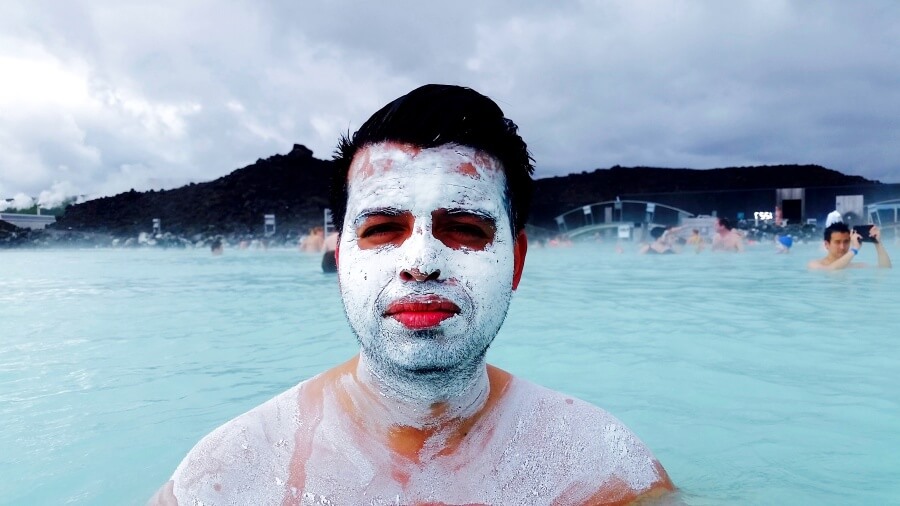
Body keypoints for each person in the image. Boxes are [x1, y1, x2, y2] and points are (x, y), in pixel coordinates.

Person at [149, 84, 673, 505]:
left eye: (465, 227)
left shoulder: (601, 474)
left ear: (515, 261)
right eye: (382, 229)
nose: (420, 263)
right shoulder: (227, 480)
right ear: (340, 259)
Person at [807, 222, 892, 270]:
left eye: (846, 242)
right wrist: (854, 249)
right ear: (826, 244)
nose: (842, 247)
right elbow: (831, 270)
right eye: (837, 242)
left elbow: (885, 269)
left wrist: (877, 243)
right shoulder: (814, 264)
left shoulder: (856, 266)